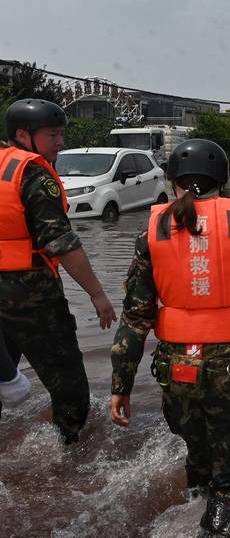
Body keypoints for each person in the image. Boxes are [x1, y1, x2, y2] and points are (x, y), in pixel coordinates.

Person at [109, 139, 230, 538]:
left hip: (177, 369)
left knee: (197, 451)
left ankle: (192, 505)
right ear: (222, 181)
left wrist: (120, 387)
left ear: (172, 180)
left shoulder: (151, 233)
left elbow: (135, 317)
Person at [0, 98, 116, 442]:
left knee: (4, 372)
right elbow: (61, 242)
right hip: (29, 295)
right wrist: (97, 294)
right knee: (68, 383)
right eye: (53, 135)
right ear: (24, 134)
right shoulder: (32, 172)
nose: (61, 142)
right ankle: (71, 453)